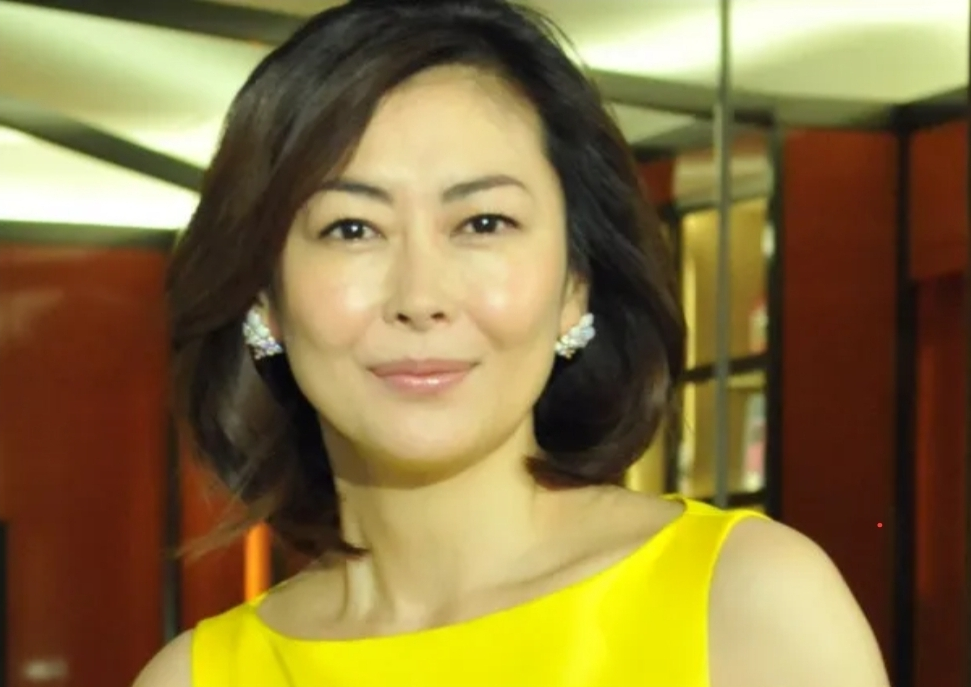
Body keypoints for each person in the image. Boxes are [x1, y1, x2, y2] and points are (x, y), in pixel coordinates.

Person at [135, 1, 890, 685]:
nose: (420, 298)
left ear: (575, 285)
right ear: (263, 295)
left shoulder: (746, 606)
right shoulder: (197, 678)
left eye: (483, 223)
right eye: (352, 229)